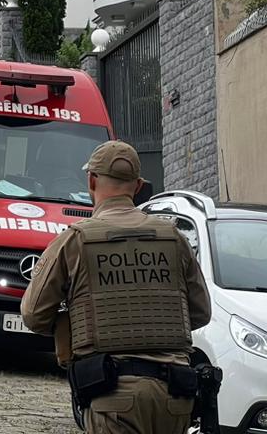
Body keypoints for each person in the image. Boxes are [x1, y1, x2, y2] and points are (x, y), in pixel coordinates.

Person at [21, 141, 211, 434]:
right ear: (137, 186)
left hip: (113, 394)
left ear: (91, 180)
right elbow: (200, 312)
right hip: (176, 395)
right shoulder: (173, 238)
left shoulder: (75, 240)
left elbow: (34, 315)